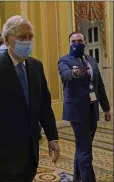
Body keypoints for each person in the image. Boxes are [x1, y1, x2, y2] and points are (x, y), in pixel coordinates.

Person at [0, 15, 60, 182]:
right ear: (7, 40)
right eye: (22, 37)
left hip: (31, 150)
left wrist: (52, 137)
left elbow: (44, 105)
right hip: (4, 151)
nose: (27, 41)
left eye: (30, 37)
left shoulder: (36, 66)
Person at [58, 31, 111, 182]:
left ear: (85, 42)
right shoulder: (64, 60)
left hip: (92, 109)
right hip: (76, 111)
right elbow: (65, 74)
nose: (76, 43)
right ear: (69, 43)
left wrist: (106, 108)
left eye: (79, 40)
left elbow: (99, 85)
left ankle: (77, 178)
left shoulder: (91, 60)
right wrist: (73, 73)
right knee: (85, 150)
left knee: (83, 147)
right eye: (73, 41)